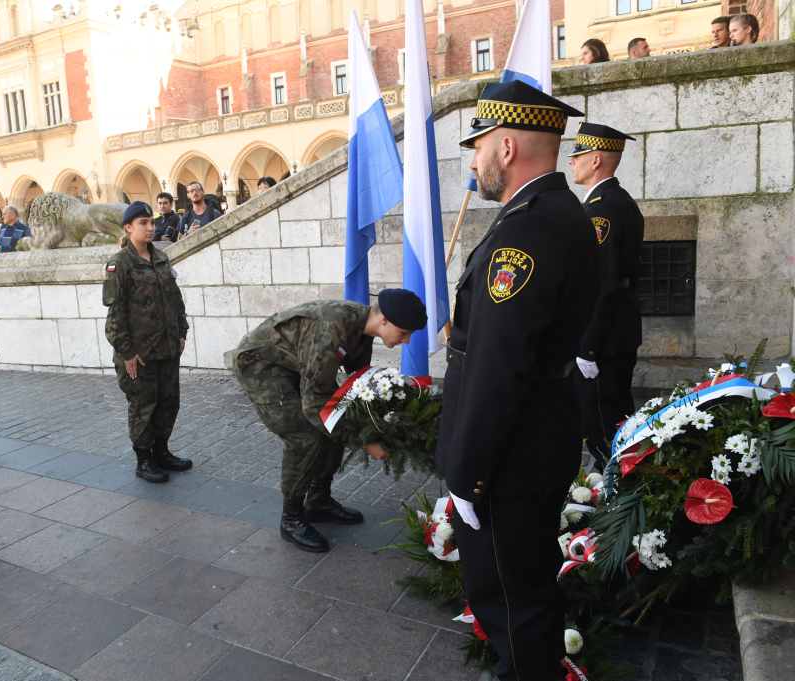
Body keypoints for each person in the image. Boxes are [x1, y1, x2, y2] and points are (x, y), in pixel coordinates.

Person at [435, 80, 598, 680]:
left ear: (506, 147)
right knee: (525, 586)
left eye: (477, 147)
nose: (473, 161)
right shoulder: (557, 214)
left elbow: (498, 368)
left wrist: (467, 475)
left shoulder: (526, 233)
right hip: (535, 438)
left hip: (509, 457)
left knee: (509, 599)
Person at [234, 290, 427, 553]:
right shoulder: (332, 329)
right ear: (385, 320)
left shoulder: (364, 330)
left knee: (338, 416)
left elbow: (354, 387)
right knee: (306, 436)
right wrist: (362, 441)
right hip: (262, 366)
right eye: (405, 332)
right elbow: (314, 405)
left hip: (295, 365)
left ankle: (319, 501)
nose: (406, 340)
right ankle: (290, 520)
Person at [568, 123, 644, 472]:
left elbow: (603, 282)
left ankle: (618, 494)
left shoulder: (601, 211)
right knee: (613, 417)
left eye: (578, 154)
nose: (572, 161)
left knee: (601, 423)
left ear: (596, 159)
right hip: (617, 329)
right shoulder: (618, 200)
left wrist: (588, 347)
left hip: (606, 337)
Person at [103, 201, 192, 483]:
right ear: (128, 228)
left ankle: (161, 451)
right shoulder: (120, 264)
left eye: (152, 222)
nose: (150, 227)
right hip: (139, 354)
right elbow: (115, 315)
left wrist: (181, 332)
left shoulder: (161, 258)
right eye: (143, 223)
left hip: (166, 348)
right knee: (143, 404)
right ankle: (144, 458)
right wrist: (127, 352)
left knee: (168, 402)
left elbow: (176, 300)